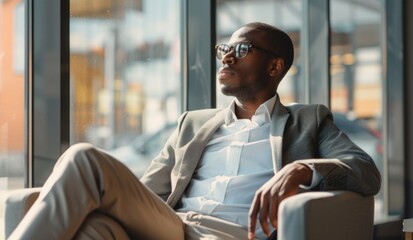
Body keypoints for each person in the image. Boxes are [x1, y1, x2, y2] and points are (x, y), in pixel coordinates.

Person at [9, 22, 381, 240]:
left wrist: (303, 168)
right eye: (224, 49)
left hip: (232, 235)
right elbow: (145, 192)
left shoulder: (308, 120)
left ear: (274, 66)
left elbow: (366, 172)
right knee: (97, 222)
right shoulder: (193, 124)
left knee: (85, 167)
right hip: (173, 226)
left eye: (242, 48)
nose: (227, 56)